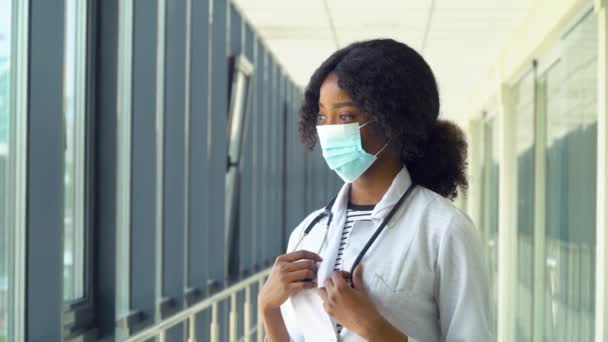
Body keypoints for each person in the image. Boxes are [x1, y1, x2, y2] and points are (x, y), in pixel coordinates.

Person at [258, 39, 494, 342]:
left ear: (393, 120)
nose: (329, 129)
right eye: (321, 116)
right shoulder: (307, 233)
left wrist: (374, 329)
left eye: (345, 116)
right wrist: (268, 310)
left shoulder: (444, 230)